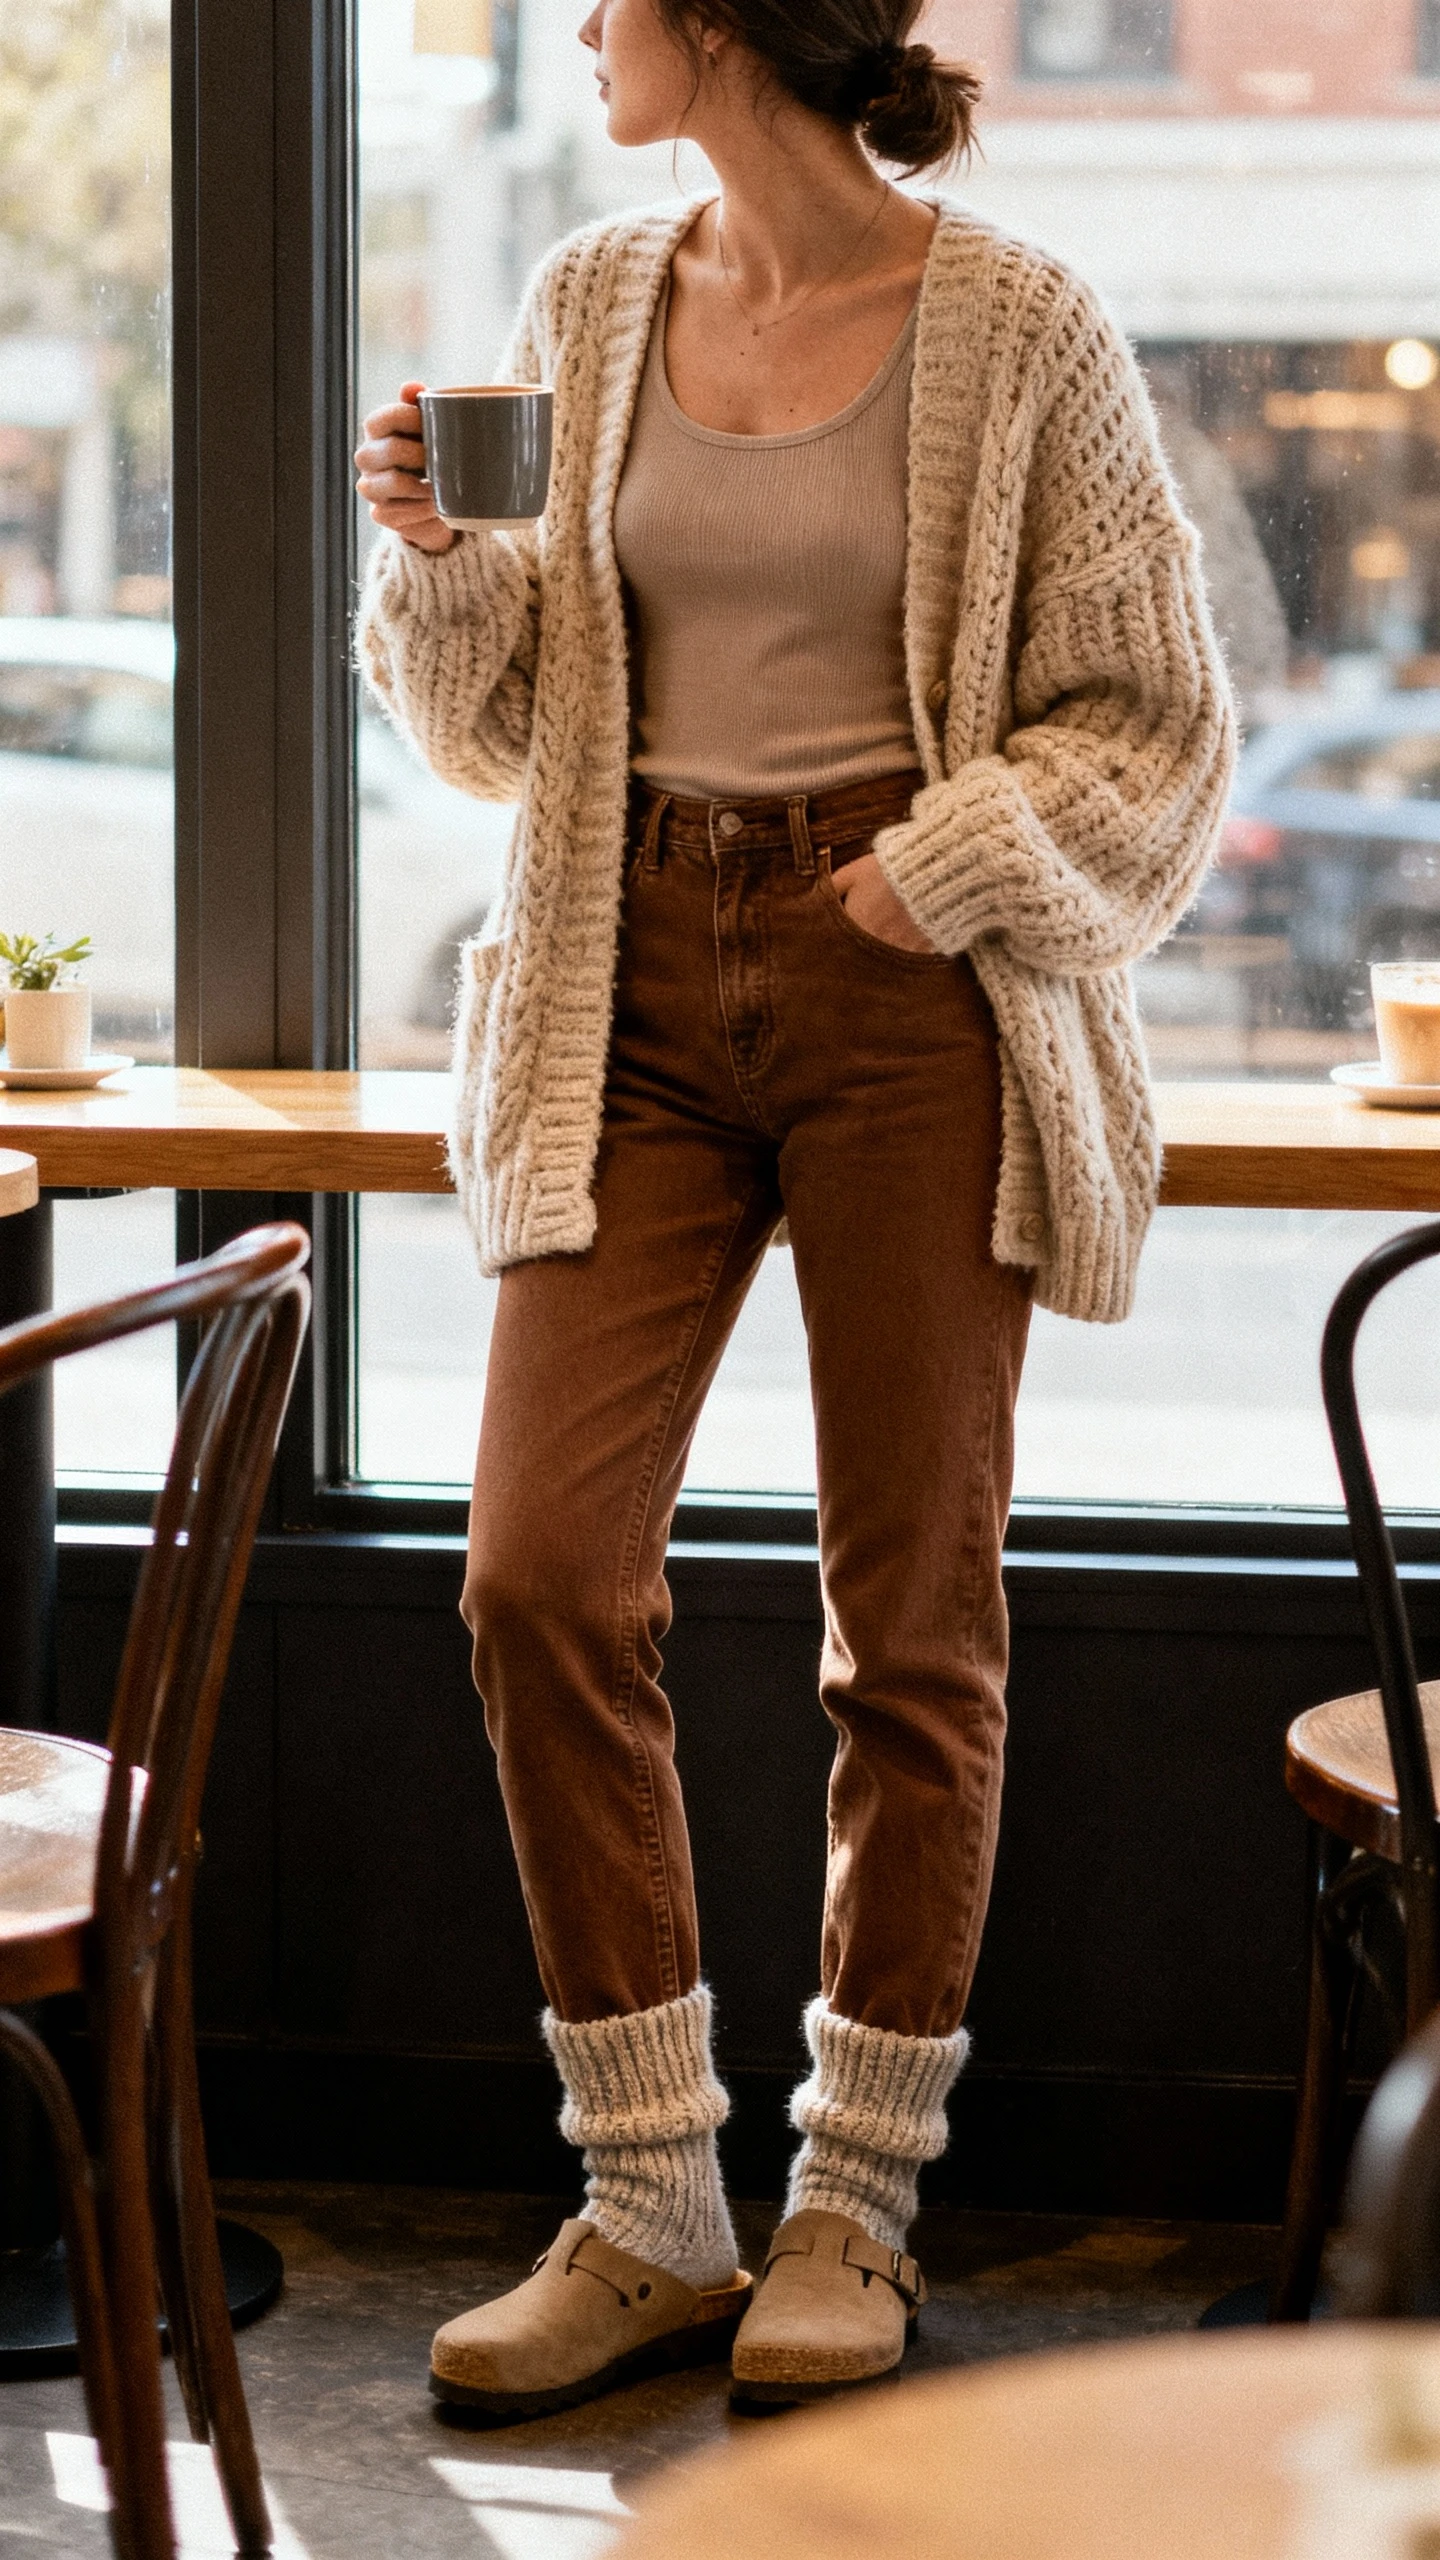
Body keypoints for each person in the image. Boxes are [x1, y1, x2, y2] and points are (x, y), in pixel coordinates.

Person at [354, 0, 1235, 2418]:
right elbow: (499, 727)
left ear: (720, 16)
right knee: (538, 1569)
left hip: (904, 986)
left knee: (910, 1618)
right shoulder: (587, 301)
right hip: (618, 978)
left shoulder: (1017, 323)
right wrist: (441, 560)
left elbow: (1158, 721)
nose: (578, 31)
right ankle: (650, 2200)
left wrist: (938, 872)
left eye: (608, 0)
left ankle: (854, 2199)